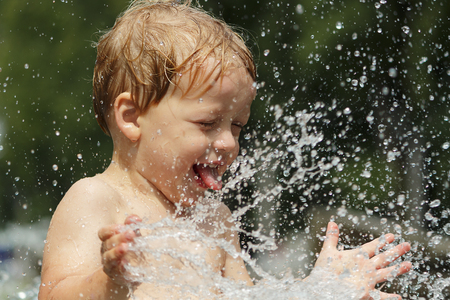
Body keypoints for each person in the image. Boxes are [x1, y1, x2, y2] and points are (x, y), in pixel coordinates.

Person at [38, 1, 412, 299]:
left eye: (237, 126)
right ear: (132, 117)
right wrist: (111, 281)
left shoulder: (216, 220)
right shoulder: (97, 200)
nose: (229, 143)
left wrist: (321, 290)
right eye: (207, 123)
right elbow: (54, 295)